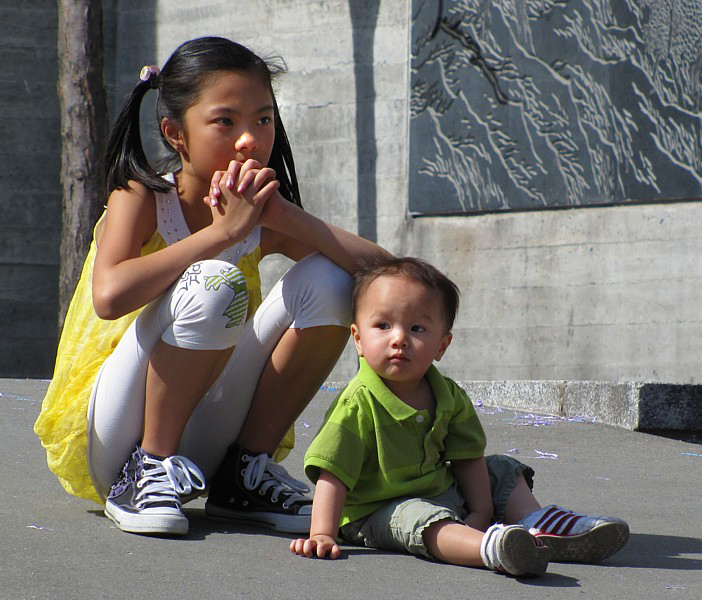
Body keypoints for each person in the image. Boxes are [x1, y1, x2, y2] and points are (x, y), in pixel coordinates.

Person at [34, 36, 389, 537]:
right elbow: (109, 295)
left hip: (208, 432)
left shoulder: (262, 213)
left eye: (263, 119)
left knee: (333, 280)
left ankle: (242, 475)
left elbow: (389, 278)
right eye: (226, 121)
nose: (250, 139)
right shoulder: (142, 194)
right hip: (120, 429)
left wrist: (284, 215)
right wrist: (222, 234)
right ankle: (148, 470)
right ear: (175, 133)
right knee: (215, 280)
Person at [289, 257, 629, 577]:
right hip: (378, 510)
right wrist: (322, 532)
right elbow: (333, 475)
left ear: (441, 346)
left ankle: (538, 522)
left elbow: (467, 457)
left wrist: (480, 511)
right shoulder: (356, 405)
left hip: (442, 489)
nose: (399, 339)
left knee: (500, 468)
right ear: (359, 339)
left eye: (418, 328)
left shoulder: (448, 395)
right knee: (422, 519)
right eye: (383, 325)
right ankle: (495, 549)